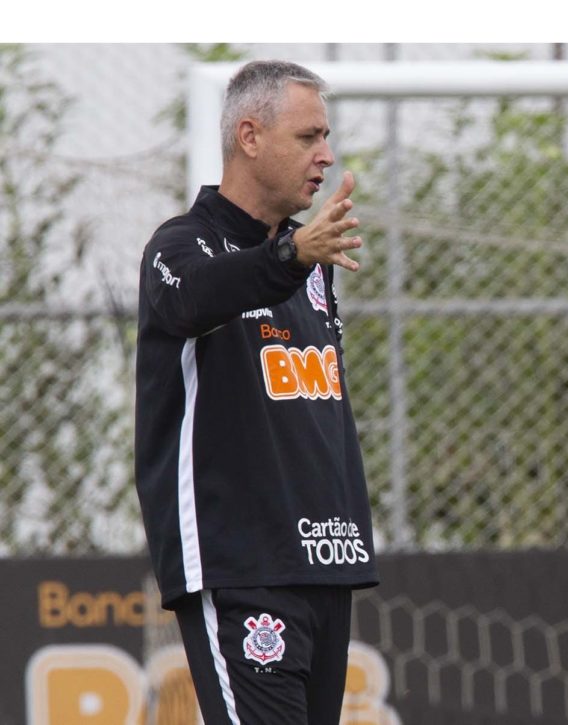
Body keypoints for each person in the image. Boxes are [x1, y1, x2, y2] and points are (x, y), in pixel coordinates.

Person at [135, 60, 378, 725]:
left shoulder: (314, 261)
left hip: (324, 561)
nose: (326, 155)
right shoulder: (178, 247)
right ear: (249, 136)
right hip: (239, 563)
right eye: (308, 137)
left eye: (327, 137)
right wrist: (288, 259)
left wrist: (298, 257)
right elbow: (193, 300)